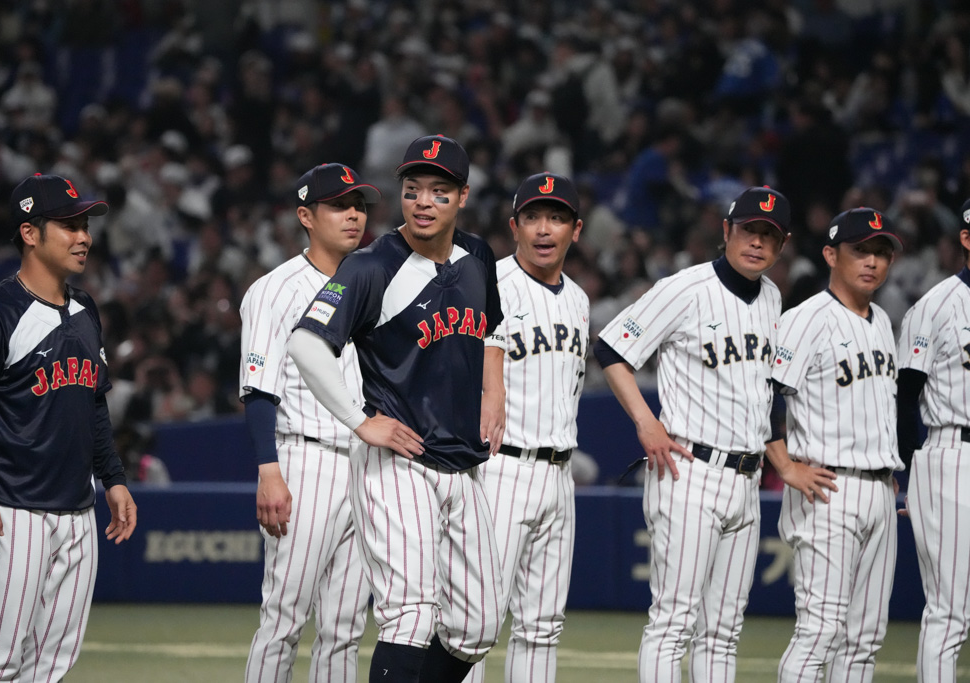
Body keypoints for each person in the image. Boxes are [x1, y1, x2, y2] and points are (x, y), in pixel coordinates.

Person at [286, 134, 505, 683]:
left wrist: (494, 391)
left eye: (439, 191)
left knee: (477, 626)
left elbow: (492, 328)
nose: (423, 201)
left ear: (463, 196)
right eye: (413, 189)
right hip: (399, 463)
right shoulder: (372, 266)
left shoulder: (478, 257)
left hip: (462, 461)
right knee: (411, 614)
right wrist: (360, 421)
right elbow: (306, 343)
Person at [595, 186, 792, 682]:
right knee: (674, 622)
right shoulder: (685, 288)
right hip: (690, 471)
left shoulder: (772, 296)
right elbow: (612, 348)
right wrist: (646, 421)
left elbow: (767, 391)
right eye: (749, 230)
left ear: (782, 244)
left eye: (769, 235)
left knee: (723, 631)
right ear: (726, 230)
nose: (757, 242)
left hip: (747, 478)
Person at [0, 173, 137, 681]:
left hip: (78, 511)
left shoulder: (85, 308)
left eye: (85, 226)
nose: (84, 236)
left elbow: (94, 404)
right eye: (69, 225)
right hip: (11, 511)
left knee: (53, 664)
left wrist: (114, 479)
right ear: (30, 233)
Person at [240, 163, 380, 683]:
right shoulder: (275, 290)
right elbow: (258, 389)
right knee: (284, 617)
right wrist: (269, 471)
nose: (353, 215)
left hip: (368, 463)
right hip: (307, 458)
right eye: (339, 206)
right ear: (306, 216)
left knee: (345, 627)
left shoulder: (375, 282)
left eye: (359, 205)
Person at [764, 207, 903, 681]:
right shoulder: (806, 318)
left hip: (879, 488)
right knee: (820, 630)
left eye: (881, 252)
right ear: (830, 255)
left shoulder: (881, 320)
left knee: (865, 640)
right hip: (828, 487)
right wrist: (785, 466)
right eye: (860, 250)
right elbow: (764, 394)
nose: (872, 261)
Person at [465, 173, 589, 683]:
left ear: (575, 230)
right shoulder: (485, 283)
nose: (543, 229)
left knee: (542, 626)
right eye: (533, 217)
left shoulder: (579, 299)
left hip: (559, 474)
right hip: (500, 468)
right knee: (474, 622)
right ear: (513, 226)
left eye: (556, 218)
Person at [897, 198, 970, 683]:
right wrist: (909, 477)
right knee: (950, 609)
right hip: (953, 454)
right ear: (966, 239)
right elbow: (904, 398)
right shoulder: (935, 306)